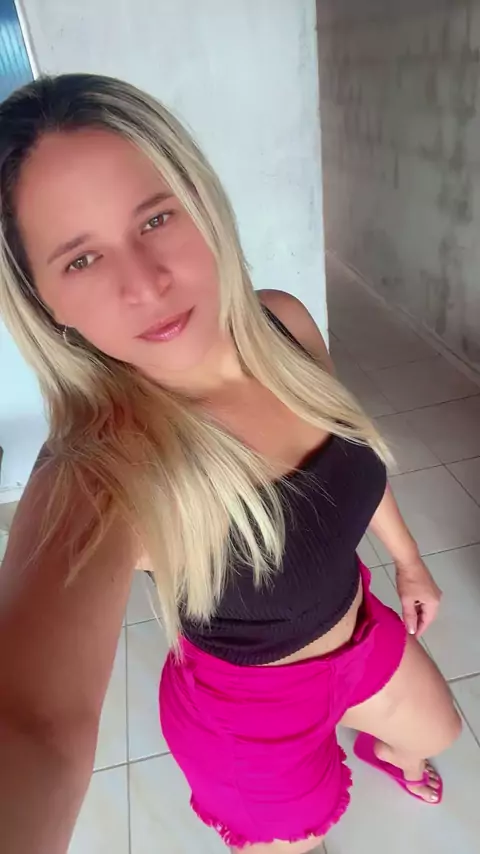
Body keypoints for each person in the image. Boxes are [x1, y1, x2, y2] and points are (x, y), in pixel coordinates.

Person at [0, 74, 460, 854]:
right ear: (46, 303)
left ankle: (389, 752)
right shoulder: (101, 467)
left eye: (156, 217)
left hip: (359, 633)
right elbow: (32, 724)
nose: (146, 283)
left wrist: (409, 562)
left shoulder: (283, 323)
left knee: (439, 732)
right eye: (81, 260)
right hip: (251, 720)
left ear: (202, 204)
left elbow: (346, 454)